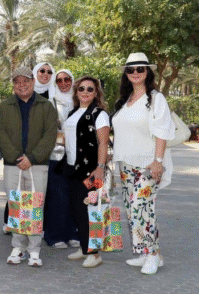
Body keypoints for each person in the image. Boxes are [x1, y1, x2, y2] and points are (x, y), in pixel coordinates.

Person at [112, 52, 175, 275]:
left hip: (148, 164)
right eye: (131, 69)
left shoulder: (156, 98)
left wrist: (158, 161)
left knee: (142, 207)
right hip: (126, 164)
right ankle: (148, 252)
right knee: (133, 210)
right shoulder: (125, 100)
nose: (136, 73)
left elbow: (163, 131)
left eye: (141, 69)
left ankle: (152, 255)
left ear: (148, 72)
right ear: (126, 73)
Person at [0, 66, 58, 267]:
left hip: (37, 165)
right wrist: (16, 157)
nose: (21, 85)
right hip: (12, 165)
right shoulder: (5, 106)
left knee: (34, 206)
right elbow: (1, 134)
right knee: (16, 205)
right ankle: (18, 247)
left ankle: (34, 249)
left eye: (25, 81)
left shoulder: (46, 106)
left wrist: (31, 158)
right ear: (13, 85)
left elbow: (50, 135)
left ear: (33, 82)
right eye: (17, 81)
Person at [62, 76, 110, 268]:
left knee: (91, 210)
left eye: (90, 89)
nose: (85, 92)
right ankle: (84, 248)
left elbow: (103, 143)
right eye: (81, 88)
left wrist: (100, 168)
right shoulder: (73, 112)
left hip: (92, 172)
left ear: (96, 93)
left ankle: (94, 254)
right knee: (77, 209)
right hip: (73, 169)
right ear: (76, 92)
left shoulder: (100, 114)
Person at [43, 69, 80, 249]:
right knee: (57, 196)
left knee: (75, 195)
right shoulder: (50, 102)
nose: (64, 83)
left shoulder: (79, 101)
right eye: (59, 80)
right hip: (56, 155)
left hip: (77, 156)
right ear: (55, 83)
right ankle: (54, 235)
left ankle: (73, 233)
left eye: (67, 79)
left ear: (72, 81)